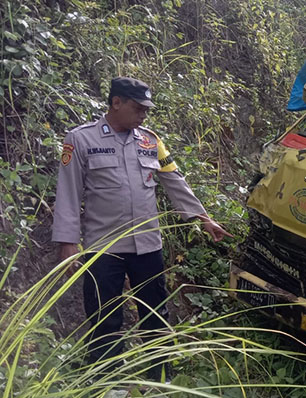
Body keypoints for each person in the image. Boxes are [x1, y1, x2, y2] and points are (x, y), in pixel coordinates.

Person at [52, 76, 232, 381]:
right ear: (116, 103)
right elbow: (68, 193)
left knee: (155, 312)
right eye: (138, 108)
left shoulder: (151, 141)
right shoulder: (81, 140)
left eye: (146, 109)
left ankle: (159, 375)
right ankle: (106, 382)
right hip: (103, 247)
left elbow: (176, 183)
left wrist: (203, 218)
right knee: (104, 317)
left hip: (147, 246)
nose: (143, 114)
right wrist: (67, 243)